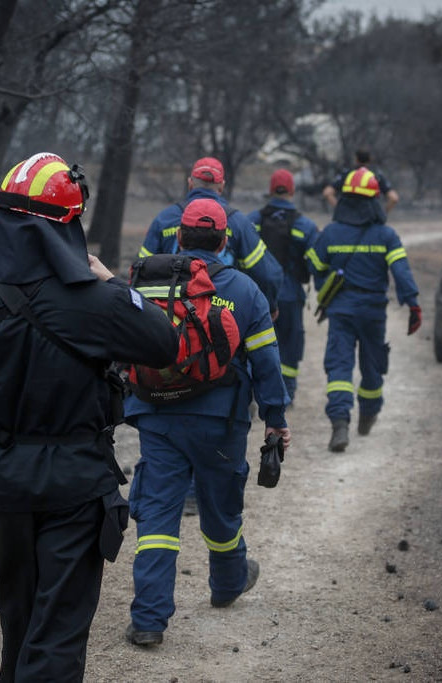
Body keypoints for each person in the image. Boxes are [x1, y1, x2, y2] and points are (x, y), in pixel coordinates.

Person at [0, 152, 179, 682]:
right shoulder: (100, 304)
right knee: (55, 635)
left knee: (19, 625)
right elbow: (163, 342)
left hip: (0, 486)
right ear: (68, 228)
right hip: (75, 487)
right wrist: (114, 285)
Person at [124, 198, 292, 647]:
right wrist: (275, 419)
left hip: (158, 416)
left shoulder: (149, 282)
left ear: (179, 237)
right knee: (220, 505)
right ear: (223, 241)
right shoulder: (244, 290)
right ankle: (228, 583)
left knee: (158, 512)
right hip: (221, 420)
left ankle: (148, 620)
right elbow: (266, 361)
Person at [313, 167, 421, 453]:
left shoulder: (330, 233)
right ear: (375, 201)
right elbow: (401, 271)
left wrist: (327, 286)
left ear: (344, 200)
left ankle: (339, 423)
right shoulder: (386, 235)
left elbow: (316, 265)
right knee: (372, 366)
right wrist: (413, 304)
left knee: (339, 365)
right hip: (373, 312)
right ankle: (368, 414)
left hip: (341, 311)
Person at [139, 156, 284, 319]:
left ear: (190, 183)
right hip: (223, 315)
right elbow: (267, 274)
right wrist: (270, 307)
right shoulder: (238, 223)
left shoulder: (164, 219)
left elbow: (141, 270)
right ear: (221, 186)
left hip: (171, 316)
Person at [247, 168, 322, 401]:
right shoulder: (305, 225)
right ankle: (287, 391)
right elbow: (317, 263)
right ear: (292, 190)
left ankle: (255, 391)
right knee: (290, 343)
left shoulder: (252, 221)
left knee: (255, 343)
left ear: (270, 190)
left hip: (257, 296)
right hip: (290, 295)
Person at [322, 148, 399, 214]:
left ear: (356, 159)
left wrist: (341, 211)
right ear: (370, 159)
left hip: (350, 217)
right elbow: (394, 198)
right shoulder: (376, 175)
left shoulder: (348, 174)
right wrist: (382, 214)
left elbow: (327, 192)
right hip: (370, 217)